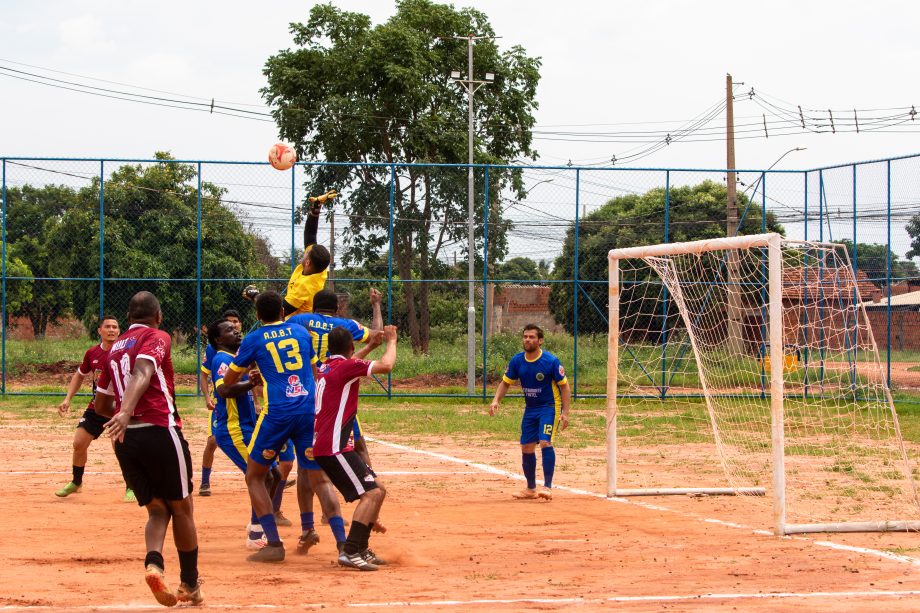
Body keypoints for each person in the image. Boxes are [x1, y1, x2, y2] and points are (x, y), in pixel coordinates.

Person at [94, 292, 202, 607]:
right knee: (182, 508)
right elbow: (143, 371)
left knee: (157, 510)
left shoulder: (113, 349)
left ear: (128, 319)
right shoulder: (157, 337)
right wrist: (128, 411)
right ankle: (190, 584)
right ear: (158, 316)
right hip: (159, 430)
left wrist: (121, 414)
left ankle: (154, 563)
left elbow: (101, 403)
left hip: (125, 441)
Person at [222, 290, 329, 563]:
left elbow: (229, 381)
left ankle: (271, 541)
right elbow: (316, 370)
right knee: (310, 473)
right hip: (307, 408)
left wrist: (249, 375)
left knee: (255, 475)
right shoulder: (301, 332)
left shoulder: (253, 339)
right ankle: (328, 536)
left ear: (257, 316)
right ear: (283, 311)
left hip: (276, 413)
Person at [286, 288, 384, 536]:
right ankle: (370, 503)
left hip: (308, 394)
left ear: (313, 307)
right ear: (337, 308)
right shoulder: (346, 325)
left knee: (306, 461)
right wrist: (375, 305)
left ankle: (307, 527)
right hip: (337, 393)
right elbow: (377, 334)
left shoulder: (298, 320)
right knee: (356, 447)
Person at [314, 325, 397, 571]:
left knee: (378, 489)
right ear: (350, 348)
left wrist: (370, 345)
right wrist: (391, 342)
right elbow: (386, 366)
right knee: (370, 494)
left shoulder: (327, 366)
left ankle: (361, 547)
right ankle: (350, 551)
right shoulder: (345, 367)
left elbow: (351, 362)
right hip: (333, 447)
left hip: (332, 445)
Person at [55, 315, 135, 502]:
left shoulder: (125, 352)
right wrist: (68, 399)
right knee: (79, 443)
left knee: (119, 446)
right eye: (107, 326)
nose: (112, 330)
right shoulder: (92, 353)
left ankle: (131, 486)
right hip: (97, 406)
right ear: (99, 331)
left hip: (119, 407)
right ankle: (76, 482)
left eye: (115, 326)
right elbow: (79, 375)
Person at [207, 318, 269, 551]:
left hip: (244, 427)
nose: (236, 332)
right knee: (262, 476)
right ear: (218, 339)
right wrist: (250, 384)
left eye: (236, 329)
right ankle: (256, 533)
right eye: (229, 331)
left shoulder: (235, 360)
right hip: (233, 429)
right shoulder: (222, 359)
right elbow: (224, 391)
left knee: (267, 476)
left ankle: (257, 527)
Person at [489, 324, 571, 501]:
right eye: (525, 336)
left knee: (544, 442)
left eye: (532, 337)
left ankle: (547, 487)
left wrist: (566, 412)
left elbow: (565, 387)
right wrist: (496, 400)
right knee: (526, 447)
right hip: (531, 409)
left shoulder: (550, 361)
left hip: (549, 407)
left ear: (540, 340)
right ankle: (530, 489)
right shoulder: (517, 361)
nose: (527, 339)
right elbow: (506, 382)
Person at [243, 191, 333, 318]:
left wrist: (254, 295)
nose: (306, 250)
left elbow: (277, 311)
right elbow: (310, 235)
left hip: (298, 329)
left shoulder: (305, 287)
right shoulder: (318, 268)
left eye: (307, 253)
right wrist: (316, 207)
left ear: (308, 262)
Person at [198, 309, 242, 496]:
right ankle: (205, 481)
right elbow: (204, 374)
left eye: (236, 322)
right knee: (212, 441)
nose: (234, 326)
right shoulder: (216, 351)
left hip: (241, 403)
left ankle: (264, 472)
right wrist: (208, 397)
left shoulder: (244, 345)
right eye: (229, 324)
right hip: (221, 402)